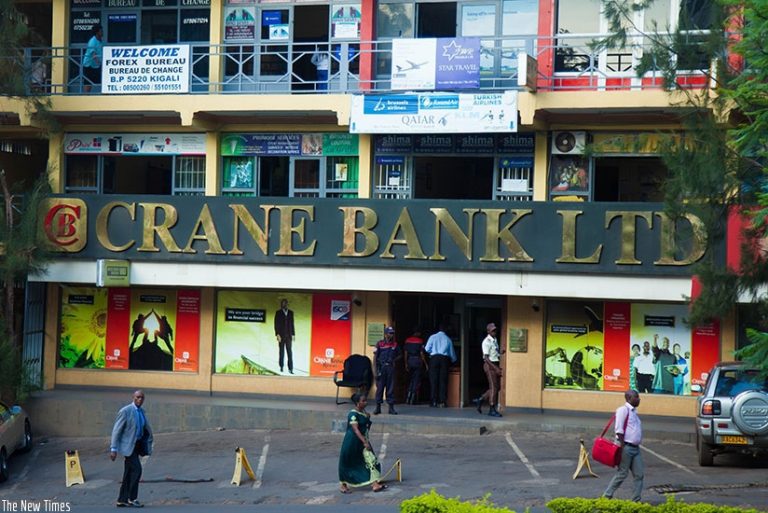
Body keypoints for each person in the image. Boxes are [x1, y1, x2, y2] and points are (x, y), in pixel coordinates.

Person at [110, 390, 152, 508]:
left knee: (128, 473)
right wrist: (113, 448)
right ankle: (132, 498)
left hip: (137, 445)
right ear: (133, 397)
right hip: (128, 446)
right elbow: (116, 431)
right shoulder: (125, 411)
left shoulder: (142, 412)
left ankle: (122, 500)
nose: (140, 399)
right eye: (138, 397)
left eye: (142, 398)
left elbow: (144, 428)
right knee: (137, 470)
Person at [338, 393, 387, 493]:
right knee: (347, 462)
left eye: (365, 400)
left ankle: (374, 483)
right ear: (357, 403)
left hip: (362, 440)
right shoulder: (353, 415)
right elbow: (356, 430)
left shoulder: (363, 413)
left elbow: (365, 427)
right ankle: (343, 484)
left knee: (370, 460)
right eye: (363, 401)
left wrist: (367, 418)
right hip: (353, 442)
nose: (366, 402)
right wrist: (365, 442)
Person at [602, 389, 644, 502]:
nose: (639, 399)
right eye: (636, 397)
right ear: (629, 398)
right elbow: (619, 430)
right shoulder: (623, 410)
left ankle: (635, 500)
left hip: (635, 448)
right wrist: (623, 446)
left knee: (639, 474)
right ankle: (606, 496)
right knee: (622, 473)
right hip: (626, 447)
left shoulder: (634, 412)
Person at [474, 323, 503, 417]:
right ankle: (492, 409)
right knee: (494, 387)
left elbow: (495, 352)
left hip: (495, 363)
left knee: (497, 387)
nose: (495, 332)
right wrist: (496, 368)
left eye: (495, 330)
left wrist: (500, 352)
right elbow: (486, 358)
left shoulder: (494, 340)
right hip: (490, 365)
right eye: (493, 330)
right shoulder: (486, 342)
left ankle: (481, 399)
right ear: (488, 331)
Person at [424, 324, 457, 408]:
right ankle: (442, 401)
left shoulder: (432, 337)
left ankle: (433, 401)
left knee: (433, 380)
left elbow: (426, 348)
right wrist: (454, 360)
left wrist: (432, 352)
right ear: (446, 330)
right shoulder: (448, 339)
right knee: (443, 381)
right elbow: (452, 354)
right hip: (444, 360)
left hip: (434, 358)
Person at [373, 326, 400, 415]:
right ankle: (378, 408)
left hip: (390, 368)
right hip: (381, 368)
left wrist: (394, 360)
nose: (391, 335)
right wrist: (375, 371)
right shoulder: (379, 344)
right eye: (390, 333)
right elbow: (375, 358)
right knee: (380, 388)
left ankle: (391, 408)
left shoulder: (395, 345)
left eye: (392, 333)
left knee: (390, 388)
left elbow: (400, 355)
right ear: (385, 334)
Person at [403, 327, 426, 405]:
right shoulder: (420, 341)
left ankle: (408, 398)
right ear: (417, 333)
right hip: (417, 361)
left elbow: (405, 353)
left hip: (410, 361)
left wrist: (406, 363)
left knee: (411, 380)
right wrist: (425, 363)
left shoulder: (407, 340)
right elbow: (421, 353)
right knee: (416, 380)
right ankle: (412, 399)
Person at [274, 298, 295, 374]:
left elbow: (292, 324)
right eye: (282, 303)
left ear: (287, 304)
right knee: (281, 352)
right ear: (281, 305)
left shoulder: (291, 313)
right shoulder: (278, 313)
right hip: (281, 335)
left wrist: (293, 334)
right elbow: (276, 324)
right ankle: (281, 366)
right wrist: (277, 334)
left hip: (288, 335)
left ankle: (290, 368)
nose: (284, 305)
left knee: (289, 352)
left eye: (285, 303)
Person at [83, 23, 103, 93]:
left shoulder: (100, 40)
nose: (102, 32)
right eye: (101, 31)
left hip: (96, 65)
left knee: (99, 80)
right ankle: (85, 96)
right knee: (88, 82)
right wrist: (100, 63)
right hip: (89, 64)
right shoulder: (92, 41)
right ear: (97, 32)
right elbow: (93, 55)